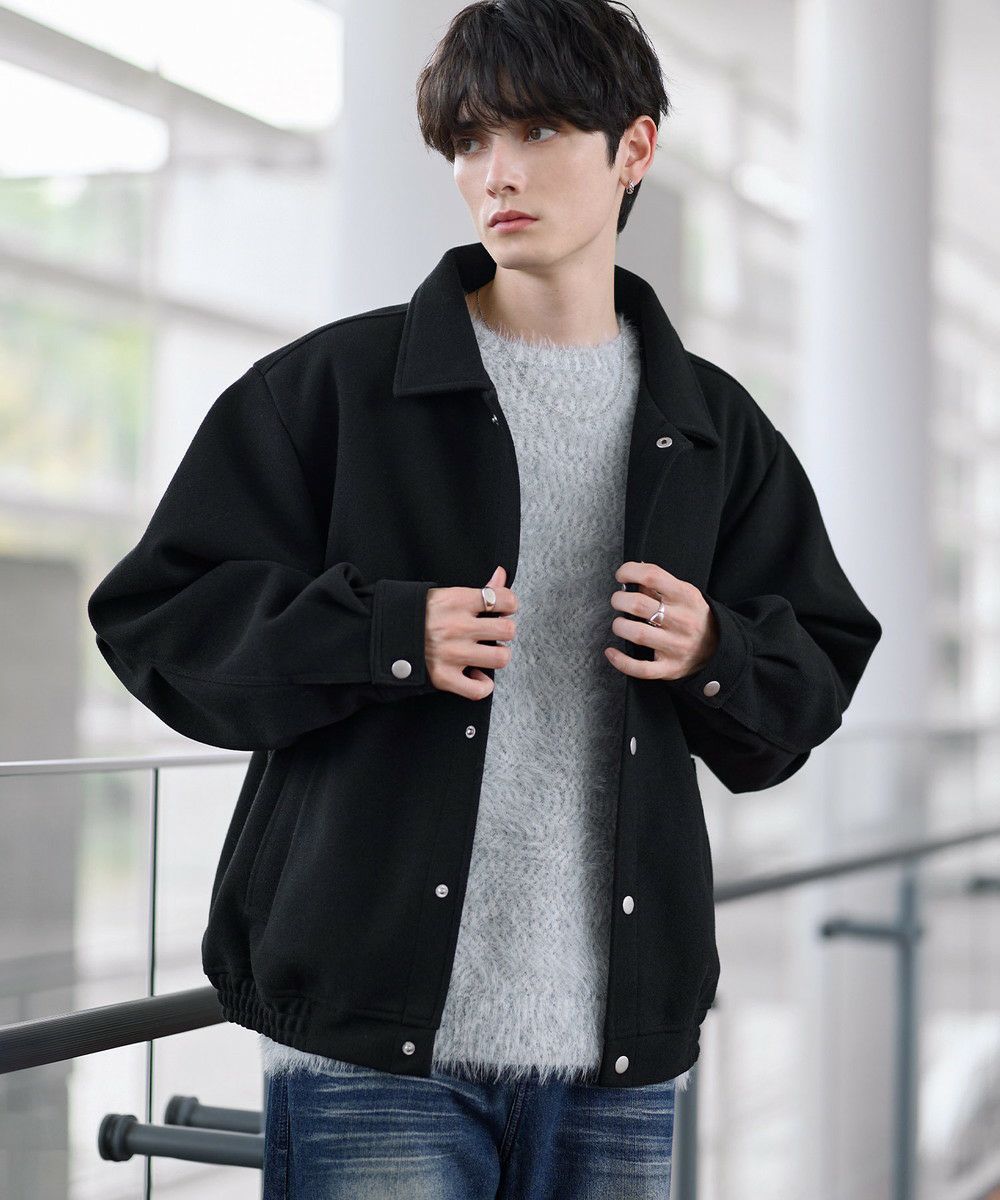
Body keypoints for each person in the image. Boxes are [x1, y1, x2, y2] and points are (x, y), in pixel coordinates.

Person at [87, 1, 882, 1197]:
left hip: (617, 1057)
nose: (494, 173)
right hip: (365, 1043)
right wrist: (380, 633)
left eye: (539, 130)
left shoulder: (714, 428)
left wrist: (716, 648)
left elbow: (811, 681)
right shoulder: (334, 389)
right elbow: (156, 617)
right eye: (467, 141)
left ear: (634, 149)